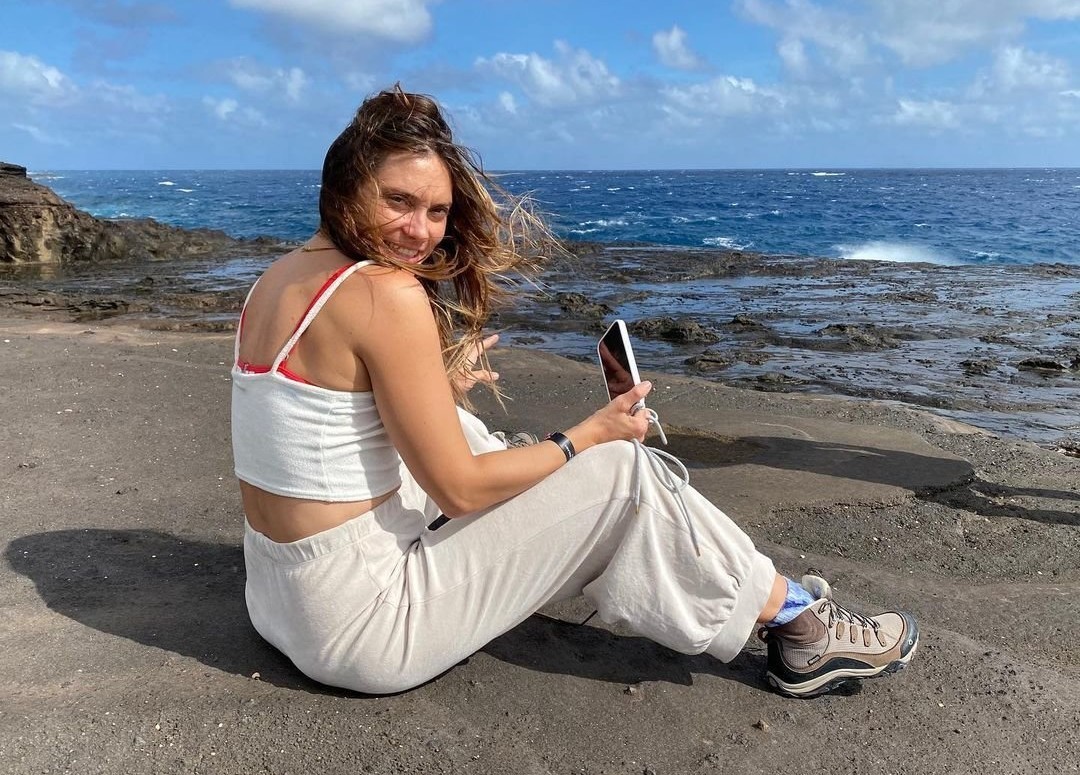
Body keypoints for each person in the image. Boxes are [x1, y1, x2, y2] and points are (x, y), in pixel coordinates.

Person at [230, 85, 918, 698]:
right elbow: (459, 493)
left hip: (283, 599)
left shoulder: (278, 279)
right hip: (365, 628)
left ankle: (752, 592)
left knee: (463, 429)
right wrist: (588, 435)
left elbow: (316, 432)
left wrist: (439, 389)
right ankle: (799, 624)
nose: (421, 231)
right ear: (345, 186)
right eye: (398, 201)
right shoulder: (384, 292)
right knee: (619, 470)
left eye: (438, 211)